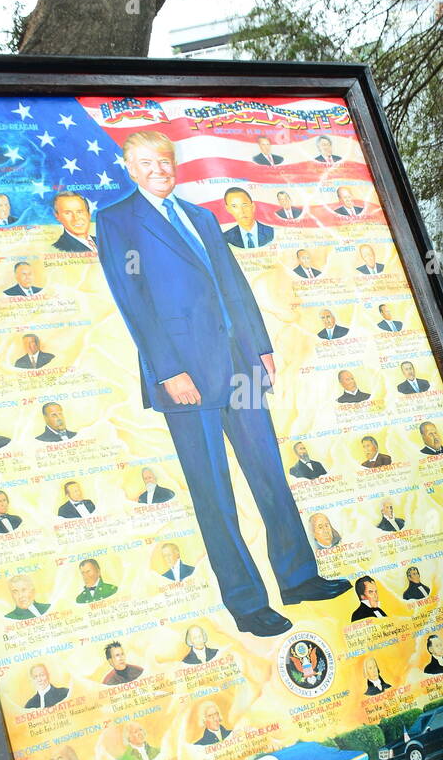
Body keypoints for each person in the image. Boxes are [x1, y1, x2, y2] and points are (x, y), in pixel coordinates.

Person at [96, 129, 349, 638]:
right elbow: (133, 301)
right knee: (216, 494)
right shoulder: (117, 221)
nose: (159, 170)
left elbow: (234, 285)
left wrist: (261, 348)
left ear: (175, 164)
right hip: (184, 377)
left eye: (165, 161)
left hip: (240, 368)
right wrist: (167, 370)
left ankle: (298, 578)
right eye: (146, 163)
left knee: (270, 476)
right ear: (129, 167)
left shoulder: (202, 217)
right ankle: (247, 603)